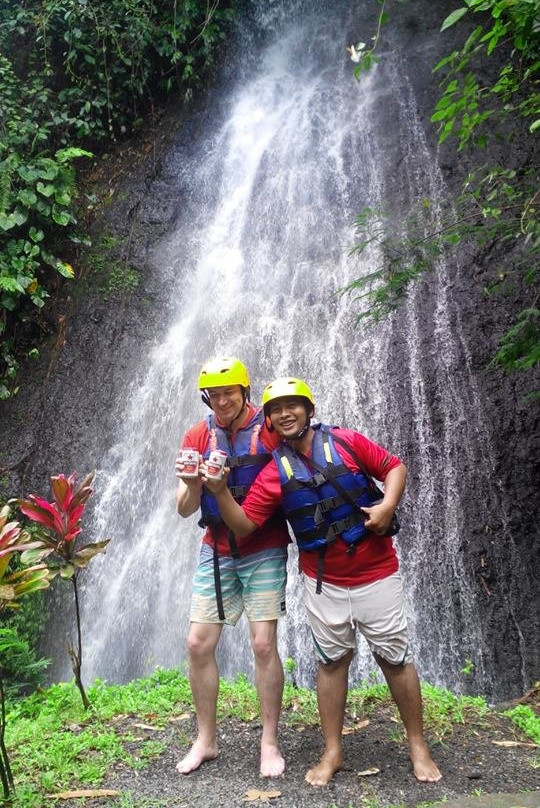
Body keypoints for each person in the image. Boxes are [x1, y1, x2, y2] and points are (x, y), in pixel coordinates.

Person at [202, 376, 442, 787]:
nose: (284, 413)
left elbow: (394, 467)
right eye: (276, 409)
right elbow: (243, 526)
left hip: (377, 573)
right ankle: (332, 751)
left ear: (309, 410)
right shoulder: (275, 472)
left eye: (292, 405)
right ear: (269, 422)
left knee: (394, 659)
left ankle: (418, 744)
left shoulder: (348, 441)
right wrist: (221, 491)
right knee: (331, 664)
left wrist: (387, 505)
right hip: (323, 582)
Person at [174, 358, 290, 777]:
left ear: (245, 392)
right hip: (217, 544)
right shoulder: (198, 434)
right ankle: (206, 739)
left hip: (264, 545)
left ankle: (269, 741)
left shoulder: (270, 432)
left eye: (230, 393)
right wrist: (191, 484)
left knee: (263, 644)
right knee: (197, 644)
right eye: (214, 394)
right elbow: (185, 509)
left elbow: (292, 476)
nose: (222, 401)